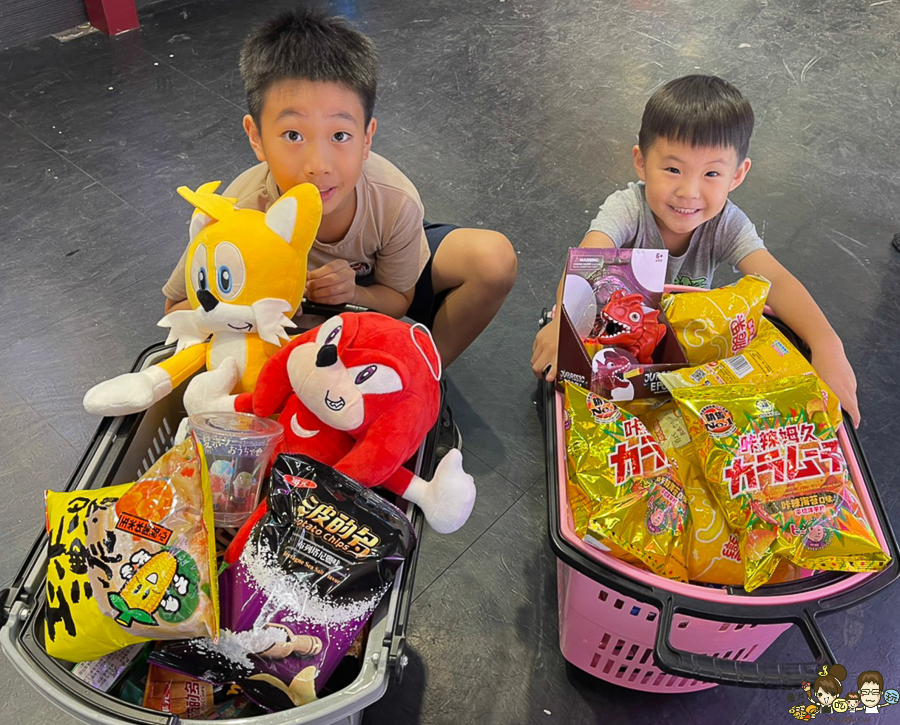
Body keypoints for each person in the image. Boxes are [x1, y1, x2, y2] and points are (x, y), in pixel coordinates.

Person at [162, 8, 517, 450]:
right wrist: (249, 323)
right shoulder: (237, 211)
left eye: (340, 136)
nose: (318, 166)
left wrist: (354, 294)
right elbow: (178, 300)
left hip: (366, 298)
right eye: (292, 135)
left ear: (367, 137)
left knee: (493, 259)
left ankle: (419, 383)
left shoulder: (393, 199)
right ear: (256, 138)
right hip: (284, 340)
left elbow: (397, 298)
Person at [531, 75, 860, 427]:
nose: (689, 192)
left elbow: (774, 279)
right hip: (618, 345)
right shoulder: (628, 208)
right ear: (641, 162)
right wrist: (565, 329)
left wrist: (827, 345)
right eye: (673, 169)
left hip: (687, 349)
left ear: (737, 175)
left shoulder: (726, 224)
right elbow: (590, 257)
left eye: (712, 173)